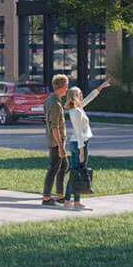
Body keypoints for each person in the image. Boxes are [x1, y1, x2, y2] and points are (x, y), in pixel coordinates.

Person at [62, 82, 107, 209]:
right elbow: (78, 131)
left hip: (77, 143)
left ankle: (68, 200)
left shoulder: (78, 108)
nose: (82, 94)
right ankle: (76, 202)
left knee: (75, 172)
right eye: (80, 93)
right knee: (78, 173)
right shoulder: (76, 111)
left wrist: (101, 87)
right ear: (76, 95)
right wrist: (82, 150)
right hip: (79, 143)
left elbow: (90, 98)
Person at [42, 73, 70, 206]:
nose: (67, 89)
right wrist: (60, 146)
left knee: (63, 166)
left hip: (54, 140)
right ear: (61, 86)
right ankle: (46, 198)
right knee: (53, 168)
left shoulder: (50, 100)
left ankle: (60, 195)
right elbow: (54, 127)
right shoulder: (55, 105)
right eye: (66, 86)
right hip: (55, 142)